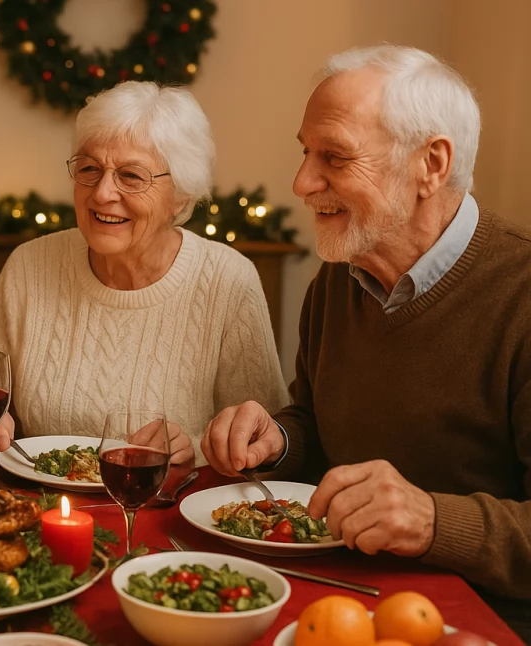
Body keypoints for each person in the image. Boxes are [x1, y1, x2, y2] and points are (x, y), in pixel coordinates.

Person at [201, 45, 531, 637]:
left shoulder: (522, 294)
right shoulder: (340, 276)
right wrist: (278, 437)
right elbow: (319, 421)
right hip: (339, 596)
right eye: (306, 152)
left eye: (335, 156)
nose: (302, 182)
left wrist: (432, 520)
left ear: (430, 164)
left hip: (475, 622)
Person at [0, 81, 288, 469]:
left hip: (165, 513)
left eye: (131, 176)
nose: (101, 194)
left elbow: (261, 444)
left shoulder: (228, 281)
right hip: (39, 508)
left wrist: (192, 449)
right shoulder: (28, 266)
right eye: (89, 169)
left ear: (180, 194)